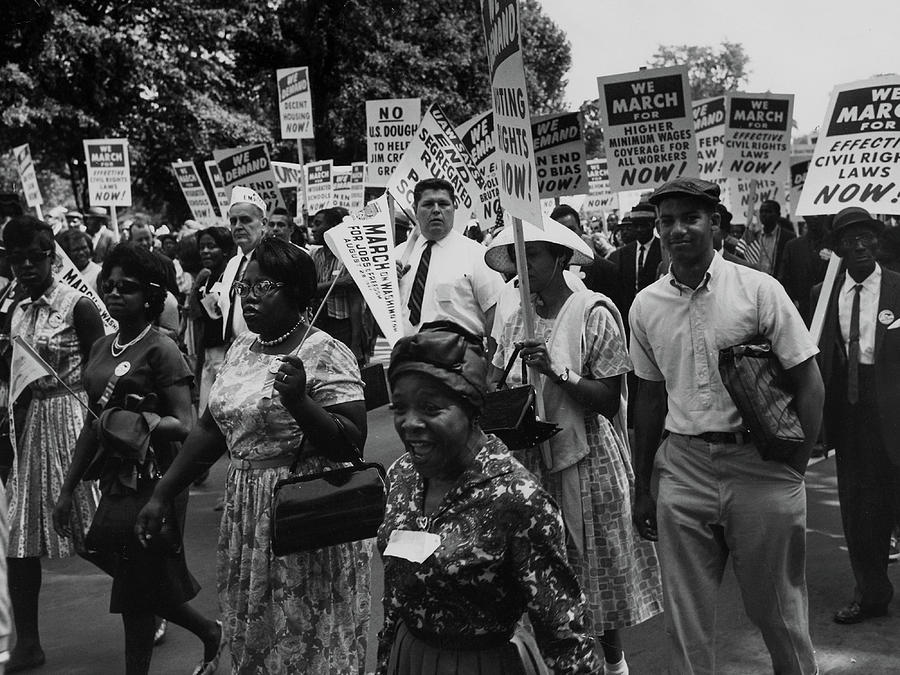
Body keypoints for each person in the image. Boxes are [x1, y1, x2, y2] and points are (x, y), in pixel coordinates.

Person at [136, 237, 372, 673]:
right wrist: (162, 494)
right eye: (245, 288)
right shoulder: (242, 348)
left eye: (264, 287)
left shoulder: (326, 351)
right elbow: (210, 429)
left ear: (296, 291)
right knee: (257, 625)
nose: (250, 297)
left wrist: (301, 402)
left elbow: (351, 442)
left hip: (302, 508)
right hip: (248, 509)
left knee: (307, 627)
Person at [629, 178, 823, 674]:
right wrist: (643, 484)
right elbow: (649, 400)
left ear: (715, 224)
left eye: (689, 218)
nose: (677, 230)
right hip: (683, 467)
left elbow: (809, 383)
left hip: (761, 468)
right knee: (685, 619)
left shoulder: (759, 290)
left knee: (778, 612)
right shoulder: (646, 305)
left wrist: (792, 470)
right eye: (666, 221)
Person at [487, 219, 663, 674]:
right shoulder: (516, 313)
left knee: (594, 582)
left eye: (534, 257)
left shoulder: (594, 313)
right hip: (529, 460)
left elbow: (608, 400)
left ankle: (612, 665)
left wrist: (554, 370)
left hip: (585, 461)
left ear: (562, 259)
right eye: (518, 260)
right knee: (539, 578)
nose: (524, 269)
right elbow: (498, 377)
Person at [378, 323, 599, 674]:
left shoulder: (516, 498)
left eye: (431, 408)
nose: (410, 423)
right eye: (399, 408)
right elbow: (395, 592)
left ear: (471, 409)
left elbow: (564, 631)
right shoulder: (402, 474)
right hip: (409, 660)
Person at [52, 242, 222, 675]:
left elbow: (186, 424)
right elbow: (95, 425)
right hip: (115, 480)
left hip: (157, 478)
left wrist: (134, 420)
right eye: (107, 285)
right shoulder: (101, 348)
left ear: (149, 294)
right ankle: (209, 632)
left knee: (137, 585)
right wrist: (69, 488)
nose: (112, 293)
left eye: (125, 287)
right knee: (123, 567)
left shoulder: (161, 348)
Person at [3, 216, 105, 672]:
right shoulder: (15, 310)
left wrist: (103, 431)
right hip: (32, 423)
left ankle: (156, 605)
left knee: (94, 532)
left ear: (51, 256)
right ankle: (28, 642)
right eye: (16, 258)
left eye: (35, 257)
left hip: (74, 417)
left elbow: (101, 373)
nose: (26, 266)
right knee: (20, 539)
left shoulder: (78, 305)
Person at [811, 207, 900, 624]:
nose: (860, 245)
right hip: (850, 416)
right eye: (850, 239)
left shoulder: (899, 288)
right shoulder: (821, 296)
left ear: (878, 242)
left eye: (866, 237)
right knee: (860, 510)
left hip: (896, 413)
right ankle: (871, 594)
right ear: (838, 248)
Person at [395, 178, 504, 338]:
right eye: (428, 204)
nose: (436, 210)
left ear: (454, 207)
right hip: (406, 357)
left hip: (460, 358)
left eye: (443, 204)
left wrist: (492, 362)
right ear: (415, 209)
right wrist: (388, 286)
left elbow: (495, 312)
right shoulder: (398, 256)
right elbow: (380, 318)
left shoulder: (476, 255)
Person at [309, 207, 367, 363]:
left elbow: (356, 304)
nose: (312, 229)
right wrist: (341, 283)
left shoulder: (347, 257)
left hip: (343, 327)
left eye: (318, 224)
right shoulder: (315, 255)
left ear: (333, 226)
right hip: (320, 323)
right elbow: (309, 290)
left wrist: (355, 344)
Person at [187, 226, 235, 415]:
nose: (205, 251)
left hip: (228, 355)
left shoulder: (233, 280)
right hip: (208, 356)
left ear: (224, 250)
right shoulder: (205, 281)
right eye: (202, 247)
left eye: (211, 246)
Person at [217, 186, 268, 346]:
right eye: (233, 221)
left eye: (245, 220)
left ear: (263, 224)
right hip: (234, 350)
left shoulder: (273, 261)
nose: (238, 226)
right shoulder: (232, 264)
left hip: (265, 350)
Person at [607, 203, 661, 331]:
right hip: (630, 318)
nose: (640, 230)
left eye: (644, 225)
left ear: (653, 225)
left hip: (657, 317)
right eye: (636, 226)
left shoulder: (663, 250)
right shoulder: (623, 253)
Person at [550, 204, 619, 301]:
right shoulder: (547, 271)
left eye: (571, 229)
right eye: (561, 231)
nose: (566, 235)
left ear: (581, 230)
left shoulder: (606, 270)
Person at [779, 215, 831, 323]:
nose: (815, 218)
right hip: (801, 310)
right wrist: (791, 301)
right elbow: (784, 278)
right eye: (812, 215)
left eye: (819, 213)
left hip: (829, 308)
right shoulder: (792, 246)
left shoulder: (836, 244)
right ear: (805, 217)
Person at [752, 199, 795, 276]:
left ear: (778, 215)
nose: (764, 214)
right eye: (761, 212)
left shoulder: (788, 237)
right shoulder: (755, 236)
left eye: (768, 211)